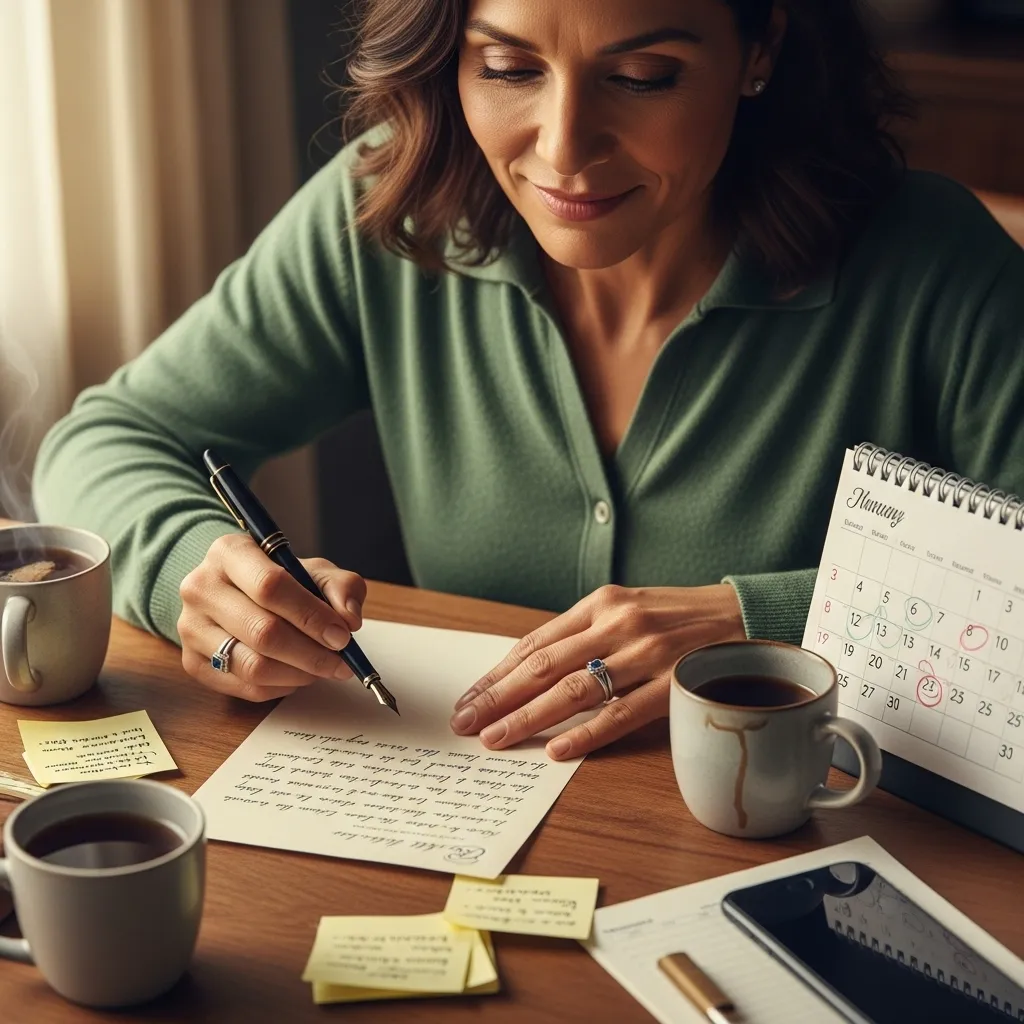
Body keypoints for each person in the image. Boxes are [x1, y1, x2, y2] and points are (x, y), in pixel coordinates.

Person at [33, 0, 1024, 763]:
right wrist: (194, 573)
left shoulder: (932, 264)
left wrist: (755, 622)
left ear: (757, 50)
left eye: (641, 77)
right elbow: (103, 439)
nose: (560, 149)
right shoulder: (399, 208)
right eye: (506, 67)